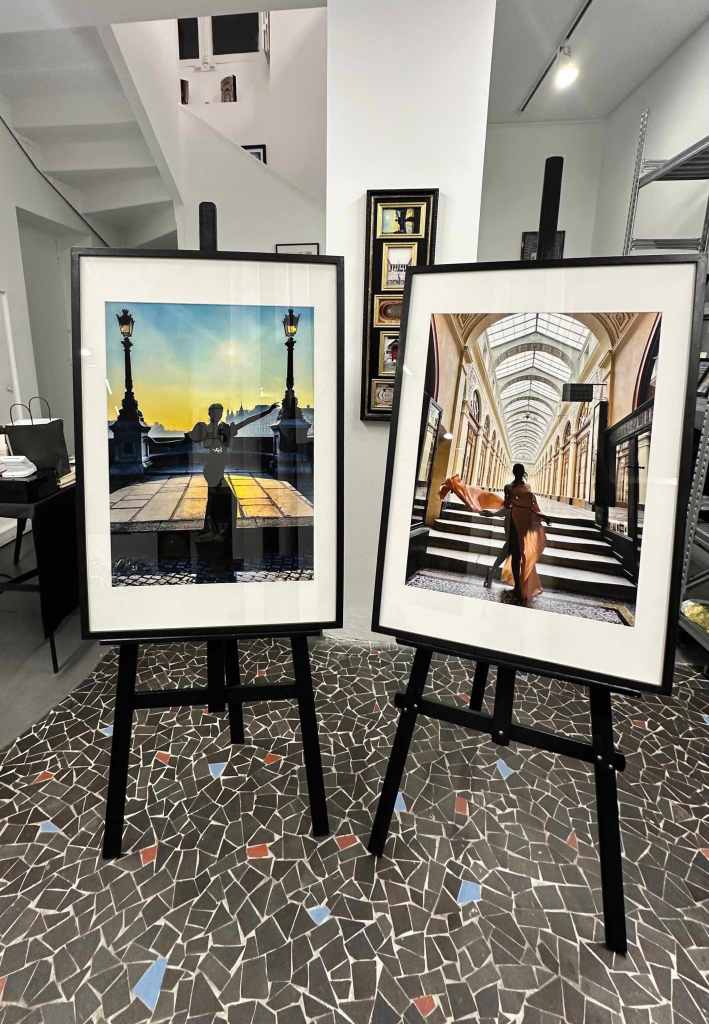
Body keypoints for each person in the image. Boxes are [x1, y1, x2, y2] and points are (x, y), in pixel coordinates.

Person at [438, 464, 548, 605]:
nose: (519, 473)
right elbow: (507, 508)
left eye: (520, 471)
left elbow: (532, 506)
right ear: (515, 473)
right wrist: (493, 514)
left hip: (524, 523)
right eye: (517, 471)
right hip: (512, 522)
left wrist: (543, 516)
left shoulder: (527, 487)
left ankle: (496, 575)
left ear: (522, 473)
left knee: (512, 551)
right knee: (515, 553)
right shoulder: (509, 487)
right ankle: (516, 586)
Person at [190, 401, 277, 540]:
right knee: (222, 499)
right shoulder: (206, 428)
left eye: (220, 412)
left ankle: (212, 529)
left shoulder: (224, 428)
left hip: (217, 467)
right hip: (212, 468)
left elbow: (247, 421)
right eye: (216, 412)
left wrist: (267, 412)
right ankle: (217, 530)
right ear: (210, 413)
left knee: (214, 499)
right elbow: (202, 443)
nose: (218, 415)